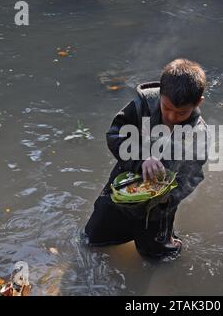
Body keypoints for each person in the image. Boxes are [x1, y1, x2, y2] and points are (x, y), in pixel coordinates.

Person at [84, 58, 209, 258]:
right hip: (123, 189)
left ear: (198, 103)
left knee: (157, 256)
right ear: (160, 94)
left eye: (181, 113)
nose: (172, 117)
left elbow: (193, 176)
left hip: (159, 207)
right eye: (166, 108)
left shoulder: (198, 134)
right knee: (93, 240)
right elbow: (115, 135)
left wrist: (168, 197)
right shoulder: (140, 107)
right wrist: (142, 159)